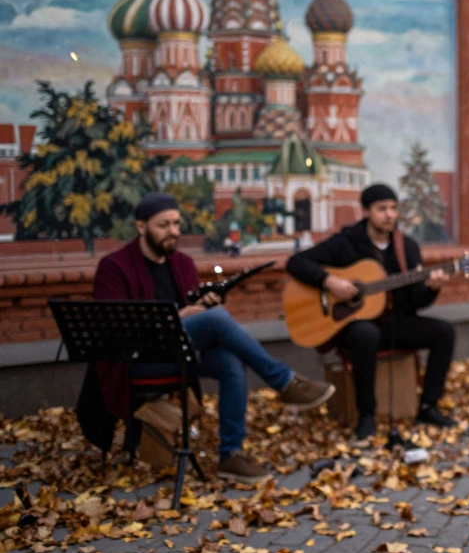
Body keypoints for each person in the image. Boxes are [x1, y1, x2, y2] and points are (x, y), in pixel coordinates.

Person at [92, 192, 336, 484]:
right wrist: (182, 317)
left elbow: (190, 309)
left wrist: (201, 306)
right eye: (163, 225)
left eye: (176, 224)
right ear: (141, 227)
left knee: (229, 362)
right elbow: (116, 328)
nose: (173, 232)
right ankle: (283, 381)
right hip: (140, 358)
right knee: (216, 319)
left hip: (180, 353)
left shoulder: (182, 263)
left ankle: (231, 455)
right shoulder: (114, 267)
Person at [286, 184, 456, 443]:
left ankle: (428, 407)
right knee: (365, 335)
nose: (390, 215)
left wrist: (432, 288)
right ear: (365, 211)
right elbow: (296, 263)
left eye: (393, 208)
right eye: (382, 209)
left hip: (395, 323)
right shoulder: (345, 243)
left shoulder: (406, 247)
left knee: (444, 332)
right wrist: (330, 282)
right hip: (354, 327)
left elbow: (416, 301)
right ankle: (367, 415)